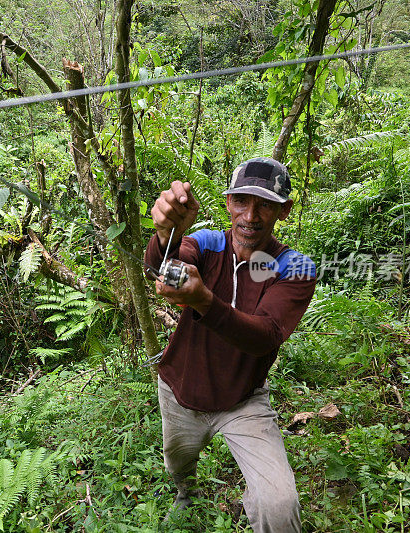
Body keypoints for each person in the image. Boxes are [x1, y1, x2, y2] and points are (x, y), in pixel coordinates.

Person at [145, 157, 317, 532]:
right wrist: (164, 237)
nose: (250, 215)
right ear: (227, 203)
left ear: (283, 211)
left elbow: (266, 335)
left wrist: (204, 300)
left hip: (243, 399)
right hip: (179, 389)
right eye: (241, 201)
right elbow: (166, 263)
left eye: (265, 204)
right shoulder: (206, 244)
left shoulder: (295, 266)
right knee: (178, 462)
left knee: (278, 502)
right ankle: (185, 492)